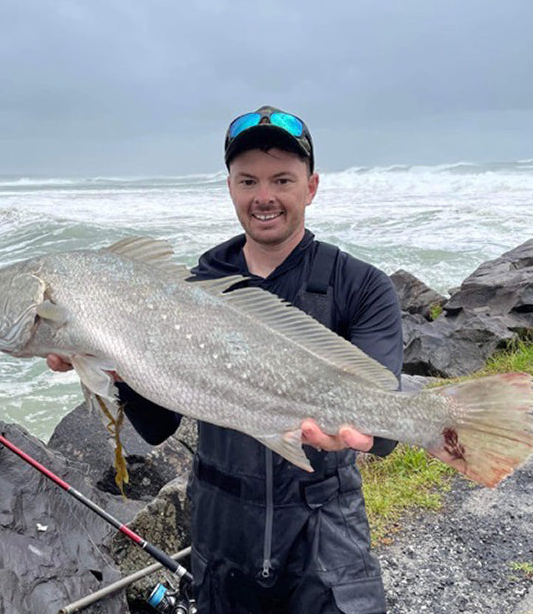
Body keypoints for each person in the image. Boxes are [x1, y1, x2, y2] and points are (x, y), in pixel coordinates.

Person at [48, 105, 403, 613]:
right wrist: (106, 360)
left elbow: (386, 419)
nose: (264, 198)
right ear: (230, 186)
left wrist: (373, 429)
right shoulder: (188, 290)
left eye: (282, 179)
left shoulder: (360, 286)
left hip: (326, 531)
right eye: (247, 181)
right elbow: (156, 425)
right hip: (220, 531)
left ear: (312, 186)